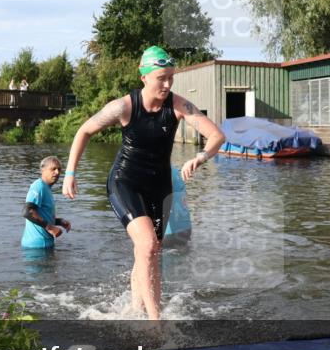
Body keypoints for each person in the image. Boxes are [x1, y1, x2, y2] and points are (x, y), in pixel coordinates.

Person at [62, 46, 225, 320]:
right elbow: (84, 131)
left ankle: (137, 308)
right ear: (144, 77)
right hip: (125, 182)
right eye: (161, 77)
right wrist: (70, 173)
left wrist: (200, 156)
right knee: (148, 244)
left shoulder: (178, 105)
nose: (167, 83)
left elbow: (216, 135)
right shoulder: (123, 106)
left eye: (171, 77)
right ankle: (154, 322)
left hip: (159, 186)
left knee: (152, 251)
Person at [22, 156, 72, 249]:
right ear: (43, 170)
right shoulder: (38, 186)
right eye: (53, 169)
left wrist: (59, 221)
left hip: (44, 245)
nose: (57, 172)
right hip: (36, 247)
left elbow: (42, 215)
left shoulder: (46, 188)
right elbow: (27, 211)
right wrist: (51, 228)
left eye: (59, 169)